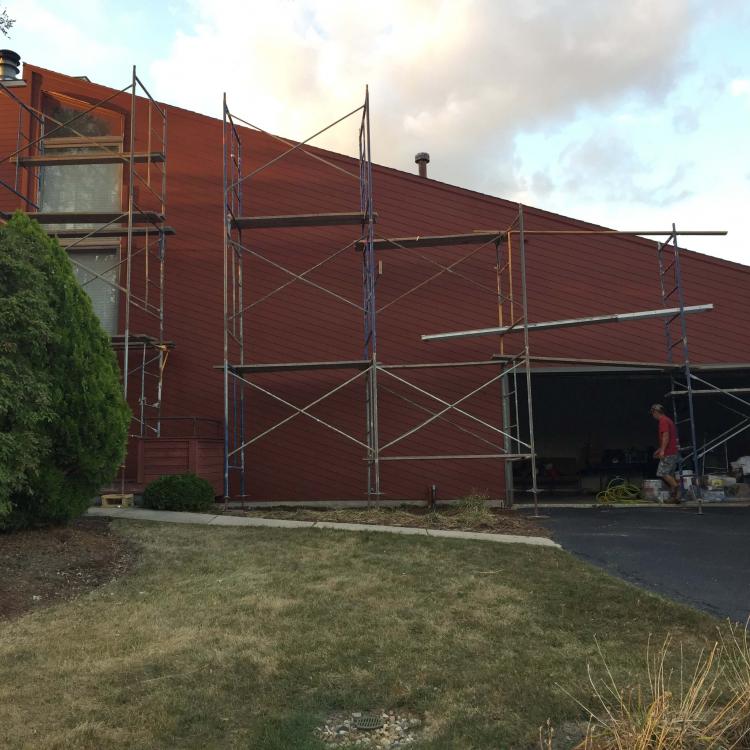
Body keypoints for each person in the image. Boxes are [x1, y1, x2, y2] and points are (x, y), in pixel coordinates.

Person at [650, 404, 680, 503]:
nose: (652, 415)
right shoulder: (668, 420)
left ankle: (677, 489)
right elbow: (669, 438)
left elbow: (666, 436)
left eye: (652, 413)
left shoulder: (663, 421)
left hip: (669, 452)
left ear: (656, 412)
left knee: (663, 472)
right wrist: (659, 449)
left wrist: (662, 450)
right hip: (673, 452)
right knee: (669, 474)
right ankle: (674, 497)